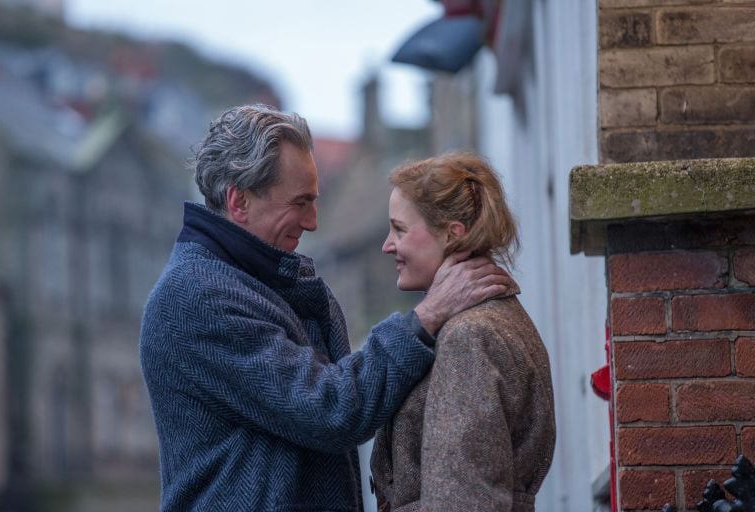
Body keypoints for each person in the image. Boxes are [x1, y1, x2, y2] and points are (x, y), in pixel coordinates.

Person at [139, 104, 510, 511]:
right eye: (299, 203)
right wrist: (425, 319)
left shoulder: (261, 279)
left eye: (315, 201)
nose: (313, 221)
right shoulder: (197, 298)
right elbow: (329, 409)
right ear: (239, 201)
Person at [370, 152, 556, 512]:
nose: (387, 244)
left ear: (452, 233)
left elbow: (464, 500)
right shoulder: (489, 319)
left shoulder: (470, 336)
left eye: (400, 229)